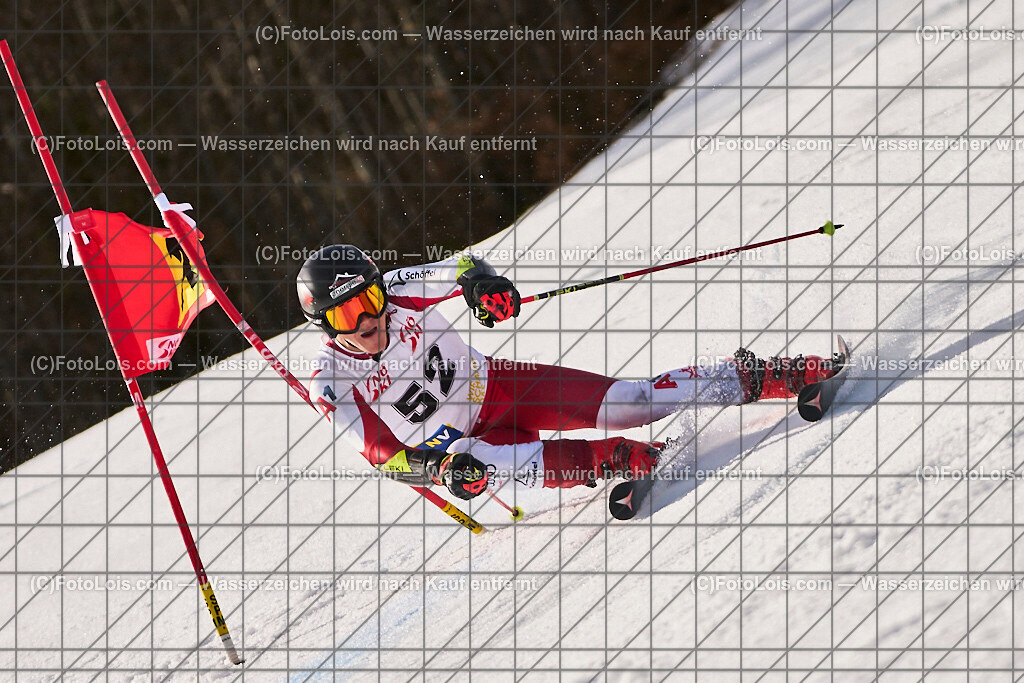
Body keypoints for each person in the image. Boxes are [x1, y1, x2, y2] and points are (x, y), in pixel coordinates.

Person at [297, 245, 836, 501]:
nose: (370, 318)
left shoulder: (399, 289)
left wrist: (483, 288)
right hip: (469, 447)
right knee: (472, 463)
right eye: (348, 314)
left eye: (369, 298)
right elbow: (383, 458)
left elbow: (464, 267)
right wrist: (436, 474)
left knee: (634, 399)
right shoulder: (330, 377)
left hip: (505, 387)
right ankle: (614, 459)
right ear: (324, 323)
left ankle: (767, 376)